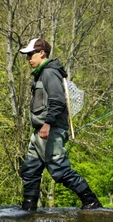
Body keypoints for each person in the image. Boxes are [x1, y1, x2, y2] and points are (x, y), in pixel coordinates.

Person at [18, 37, 103, 211]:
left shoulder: (49, 72)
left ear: (42, 53)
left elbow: (58, 101)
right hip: (39, 133)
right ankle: (28, 207)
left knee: (60, 170)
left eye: (31, 54)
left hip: (49, 130)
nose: (28, 59)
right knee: (30, 169)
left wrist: (47, 124)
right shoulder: (41, 74)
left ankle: (91, 201)